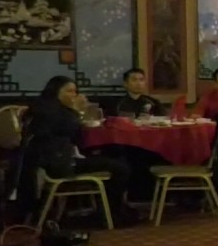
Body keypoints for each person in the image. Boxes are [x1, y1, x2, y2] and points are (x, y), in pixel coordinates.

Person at [22, 76, 135, 225]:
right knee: (120, 168)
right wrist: (76, 110)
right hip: (57, 163)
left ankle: (111, 210)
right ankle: (110, 214)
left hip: (54, 159)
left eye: (75, 91)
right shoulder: (50, 111)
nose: (73, 95)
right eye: (69, 91)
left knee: (114, 162)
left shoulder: (45, 107)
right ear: (55, 91)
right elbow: (72, 131)